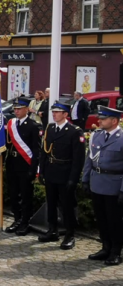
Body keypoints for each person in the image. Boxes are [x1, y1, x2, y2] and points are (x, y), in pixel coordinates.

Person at [38, 102, 85, 249]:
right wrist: (42, 171)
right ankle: (53, 230)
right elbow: (44, 152)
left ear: (66, 114)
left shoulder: (74, 131)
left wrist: (73, 178)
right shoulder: (50, 129)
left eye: (58, 112)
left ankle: (70, 234)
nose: (54, 114)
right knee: (51, 203)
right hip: (51, 171)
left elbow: (78, 159)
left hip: (65, 173)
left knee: (67, 206)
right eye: (54, 112)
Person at [82, 106, 123, 265]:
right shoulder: (96, 136)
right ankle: (105, 247)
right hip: (97, 183)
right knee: (101, 219)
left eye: (103, 119)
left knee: (114, 221)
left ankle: (115, 251)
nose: (99, 121)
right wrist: (85, 179)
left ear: (113, 121)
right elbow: (89, 160)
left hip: (114, 185)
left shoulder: (121, 137)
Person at [4, 97, 42, 236]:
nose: (16, 111)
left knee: (26, 196)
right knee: (13, 194)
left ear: (27, 109)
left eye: (19, 108)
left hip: (25, 165)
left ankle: (26, 222)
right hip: (12, 163)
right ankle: (17, 219)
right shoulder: (11, 124)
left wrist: (33, 168)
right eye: (15, 109)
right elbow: (7, 144)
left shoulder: (33, 126)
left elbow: (36, 150)